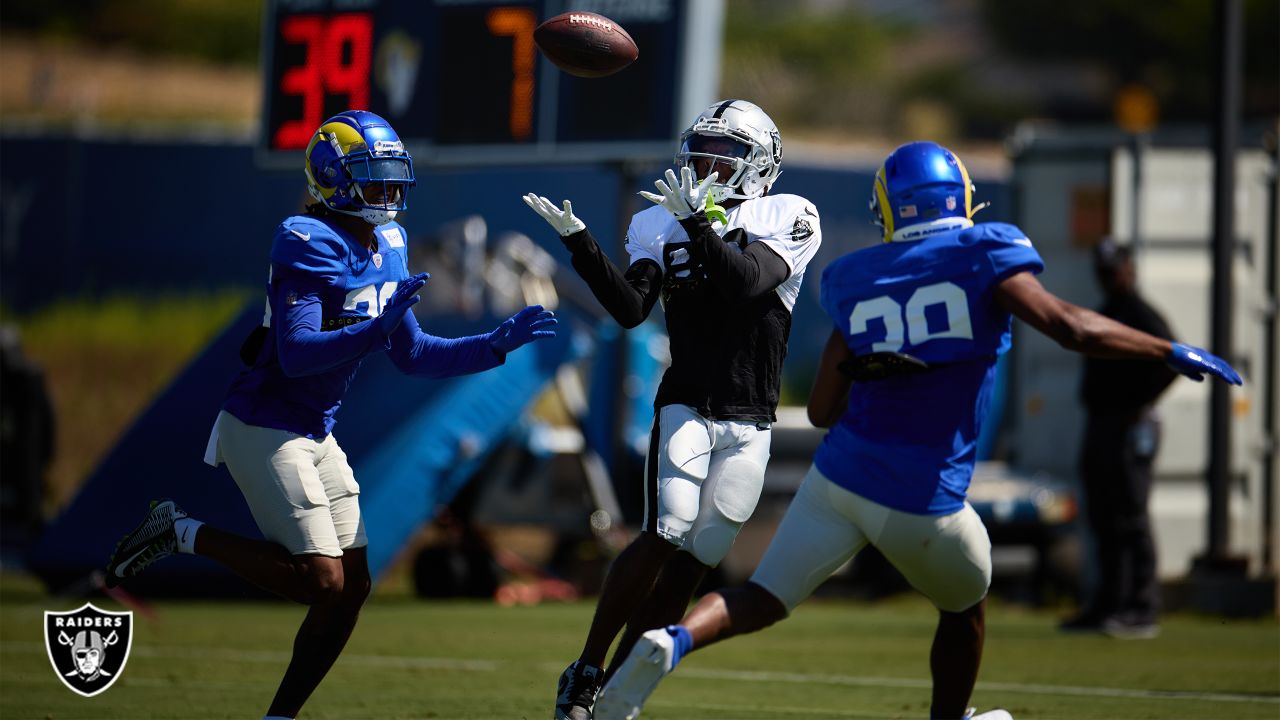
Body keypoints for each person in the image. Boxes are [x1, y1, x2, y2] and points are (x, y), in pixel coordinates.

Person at [594, 141, 1243, 720]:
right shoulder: (985, 252)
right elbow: (1071, 326)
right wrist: (1163, 349)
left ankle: (670, 640)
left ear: (890, 207)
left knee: (762, 594)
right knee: (966, 608)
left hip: (837, 475)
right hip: (920, 493)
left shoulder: (853, 275)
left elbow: (821, 411)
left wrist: (878, 370)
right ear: (958, 196)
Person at [104, 110, 557, 720]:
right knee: (321, 581)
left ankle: (280, 716)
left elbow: (415, 354)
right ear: (333, 180)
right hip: (264, 423)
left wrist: (495, 343)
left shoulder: (389, 242)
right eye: (374, 179)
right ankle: (180, 531)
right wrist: (373, 332)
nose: (389, 193)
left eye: (394, 179)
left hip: (317, 428)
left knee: (352, 589)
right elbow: (295, 355)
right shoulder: (305, 238)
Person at [523, 98, 822, 720]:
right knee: (666, 531)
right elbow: (632, 308)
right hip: (686, 400)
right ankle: (584, 671)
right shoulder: (661, 220)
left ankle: (621, 694)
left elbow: (745, 284)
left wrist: (699, 226)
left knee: (699, 558)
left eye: (729, 152)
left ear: (762, 163)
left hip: (752, 416)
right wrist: (582, 246)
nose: (710, 161)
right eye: (704, 148)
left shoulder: (789, 213)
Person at [1060, 239, 1178, 639]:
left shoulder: (1141, 315)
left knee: (1130, 515)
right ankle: (1108, 602)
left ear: (1130, 269)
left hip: (1128, 426)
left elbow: (1169, 361)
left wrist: (1138, 404)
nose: (1107, 276)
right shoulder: (1109, 310)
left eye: (1114, 269)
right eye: (1102, 269)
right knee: (1102, 516)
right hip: (1101, 423)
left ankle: (1141, 607)